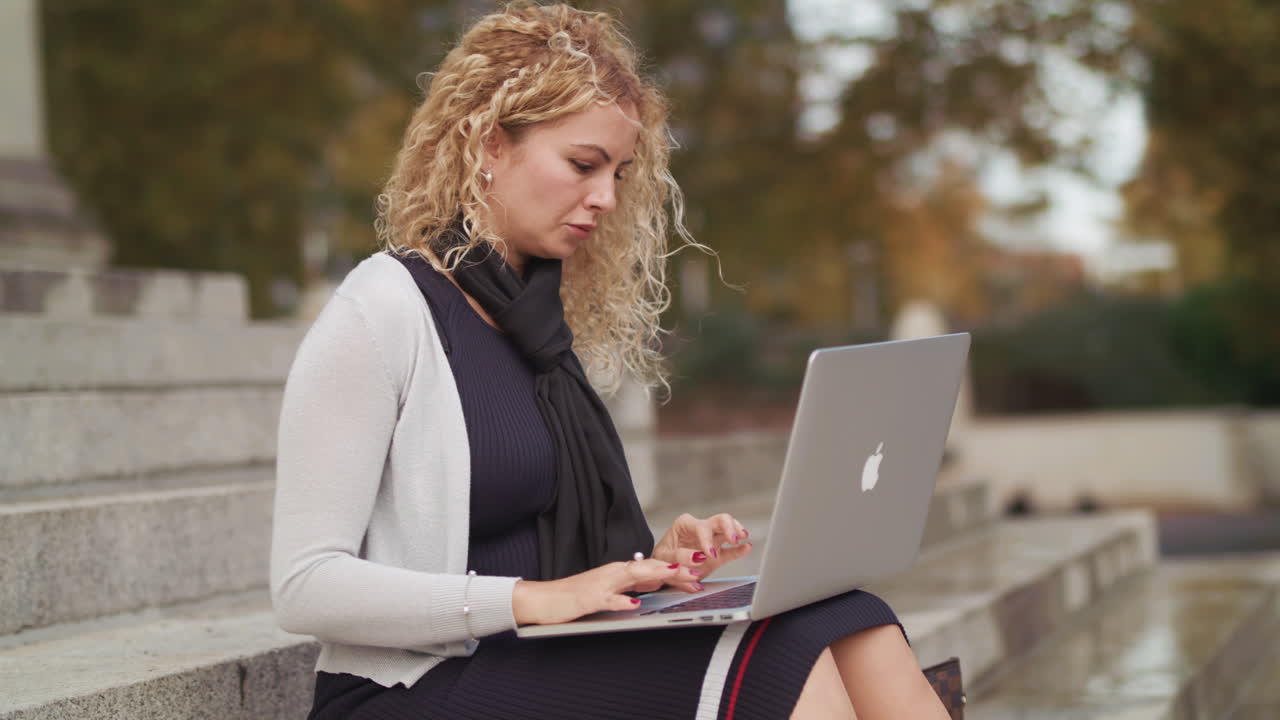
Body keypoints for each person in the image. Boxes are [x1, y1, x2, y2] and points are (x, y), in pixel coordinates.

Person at [271, 3, 950, 718]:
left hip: (535, 655)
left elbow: (547, 537)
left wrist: (652, 561)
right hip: (417, 687)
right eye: (583, 164)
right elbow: (305, 584)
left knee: (847, 616)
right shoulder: (382, 308)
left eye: (619, 173)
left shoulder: (533, 322)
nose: (604, 198)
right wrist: (536, 599)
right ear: (490, 145)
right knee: (782, 661)